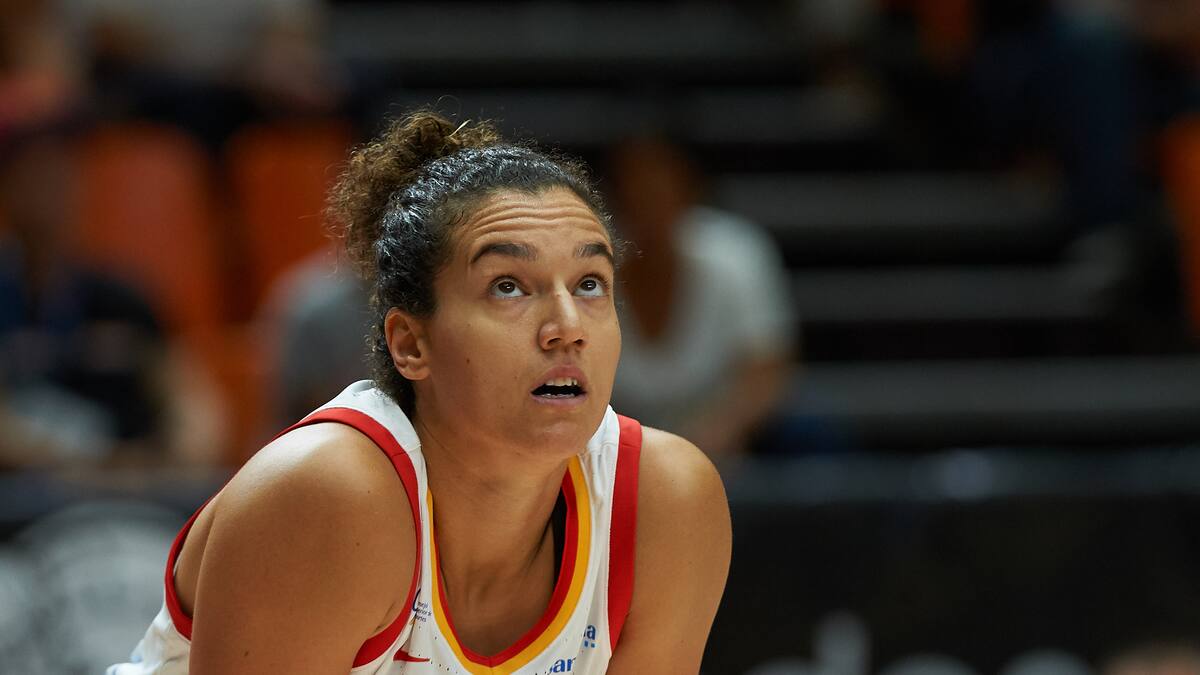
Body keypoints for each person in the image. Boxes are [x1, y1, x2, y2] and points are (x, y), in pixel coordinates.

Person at [109, 111, 732, 674]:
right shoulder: (328, 495)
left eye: (591, 282)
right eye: (509, 286)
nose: (567, 326)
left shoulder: (665, 501)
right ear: (410, 343)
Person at [605, 135, 798, 457]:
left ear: (690, 192)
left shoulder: (737, 252)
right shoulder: (588, 266)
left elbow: (768, 368)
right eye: (634, 196)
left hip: (730, 439)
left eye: (660, 193)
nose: (649, 209)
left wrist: (722, 430)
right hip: (616, 445)